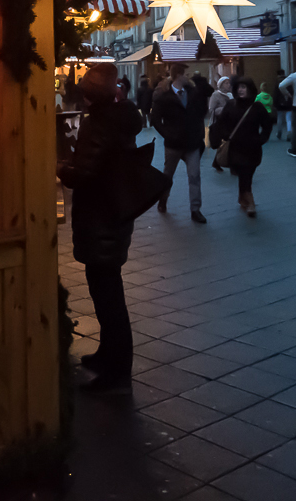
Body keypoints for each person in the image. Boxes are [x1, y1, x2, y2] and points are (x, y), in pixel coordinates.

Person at [57, 64, 143, 393]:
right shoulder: (122, 118)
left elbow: (86, 172)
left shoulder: (100, 124)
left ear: (89, 93)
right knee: (106, 289)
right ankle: (109, 353)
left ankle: (117, 368)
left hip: (101, 216)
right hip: (114, 214)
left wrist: (62, 167)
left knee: (107, 294)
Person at [150, 64, 209, 223]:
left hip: (192, 142)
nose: (188, 77)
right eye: (185, 74)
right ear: (178, 76)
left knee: (194, 175)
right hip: (173, 144)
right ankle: (163, 200)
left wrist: (198, 132)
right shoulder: (164, 96)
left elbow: (202, 112)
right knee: (168, 175)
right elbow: (154, 118)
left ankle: (195, 210)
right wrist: (167, 133)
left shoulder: (193, 93)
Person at [210, 78, 275, 215]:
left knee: (247, 174)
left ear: (250, 89)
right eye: (239, 87)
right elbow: (221, 123)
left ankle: (243, 198)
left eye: (244, 87)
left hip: (253, 148)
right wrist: (226, 135)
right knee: (244, 174)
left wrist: (261, 139)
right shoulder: (231, 105)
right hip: (236, 148)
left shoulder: (257, 107)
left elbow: (267, 125)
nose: (241, 90)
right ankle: (249, 201)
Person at [271, 67, 293, 140]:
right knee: (288, 119)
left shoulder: (277, 82)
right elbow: (291, 91)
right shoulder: (288, 81)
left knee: (280, 118)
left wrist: (274, 103)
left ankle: (279, 132)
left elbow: (275, 94)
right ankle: (289, 132)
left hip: (279, 103)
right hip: (288, 102)